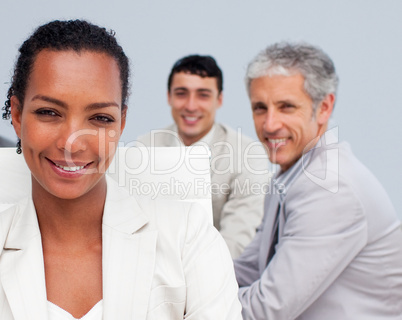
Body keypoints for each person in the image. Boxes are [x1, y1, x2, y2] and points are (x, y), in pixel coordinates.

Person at [0, 20, 241, 319]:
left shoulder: (188, 238)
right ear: (18, 116)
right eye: (49, 113)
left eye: (100, 118)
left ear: (121, 123)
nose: (72, 143)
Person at [234, 42, 402, 319]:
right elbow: (251, 268)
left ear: (324, 107)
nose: (269, 124)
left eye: (286, 107)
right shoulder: (293, 174)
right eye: (260, 108)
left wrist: (179, 305)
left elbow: (265, 309)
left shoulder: (330, 188)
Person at [137, 55, 270, 258]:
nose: (191, 106)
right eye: (181, 93)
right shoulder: (143, 148)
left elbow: (237, 242)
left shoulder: (248, 156)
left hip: (215, 276)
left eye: (203, 95)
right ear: (169, 97)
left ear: (219, 99)